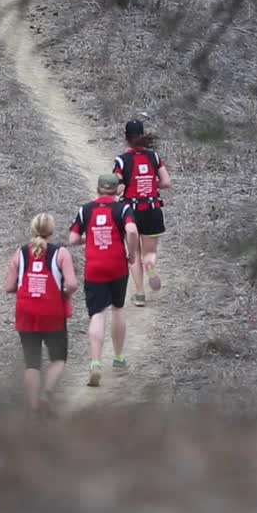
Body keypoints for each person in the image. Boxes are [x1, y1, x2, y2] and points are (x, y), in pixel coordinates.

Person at [67, 174, 139, 387]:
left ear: (97, 189)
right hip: (117, 266)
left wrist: (88, 237)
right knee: (117, 308)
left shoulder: (86, 209)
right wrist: (132, 254)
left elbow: (72, 239)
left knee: (97, 314)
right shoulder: (123, 208)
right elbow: (132, 230)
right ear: (117, 190)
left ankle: (96, 363)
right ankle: (118, 358)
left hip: (95, 268)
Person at [4, 212, 78, 415]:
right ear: (52, 232)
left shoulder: (20, 254)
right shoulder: (61, 253)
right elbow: (72, 284)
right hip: (52, 312)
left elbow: (9, 287)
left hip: (26, 312)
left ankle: (34, 409)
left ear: (33, 229)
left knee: (32, 363)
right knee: (58, 358)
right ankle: (47, 393)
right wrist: (65, 292)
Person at [113, 119, 172, 306]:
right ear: (143, 135)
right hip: (152, 210)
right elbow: (166, 183)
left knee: (134, 255)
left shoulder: (121, 160)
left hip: (131, 212)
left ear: (126, 138)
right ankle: (151, 266)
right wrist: (151, 185)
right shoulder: (154, 157)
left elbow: (118, 188)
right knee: (149, 253)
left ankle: (139, 294)